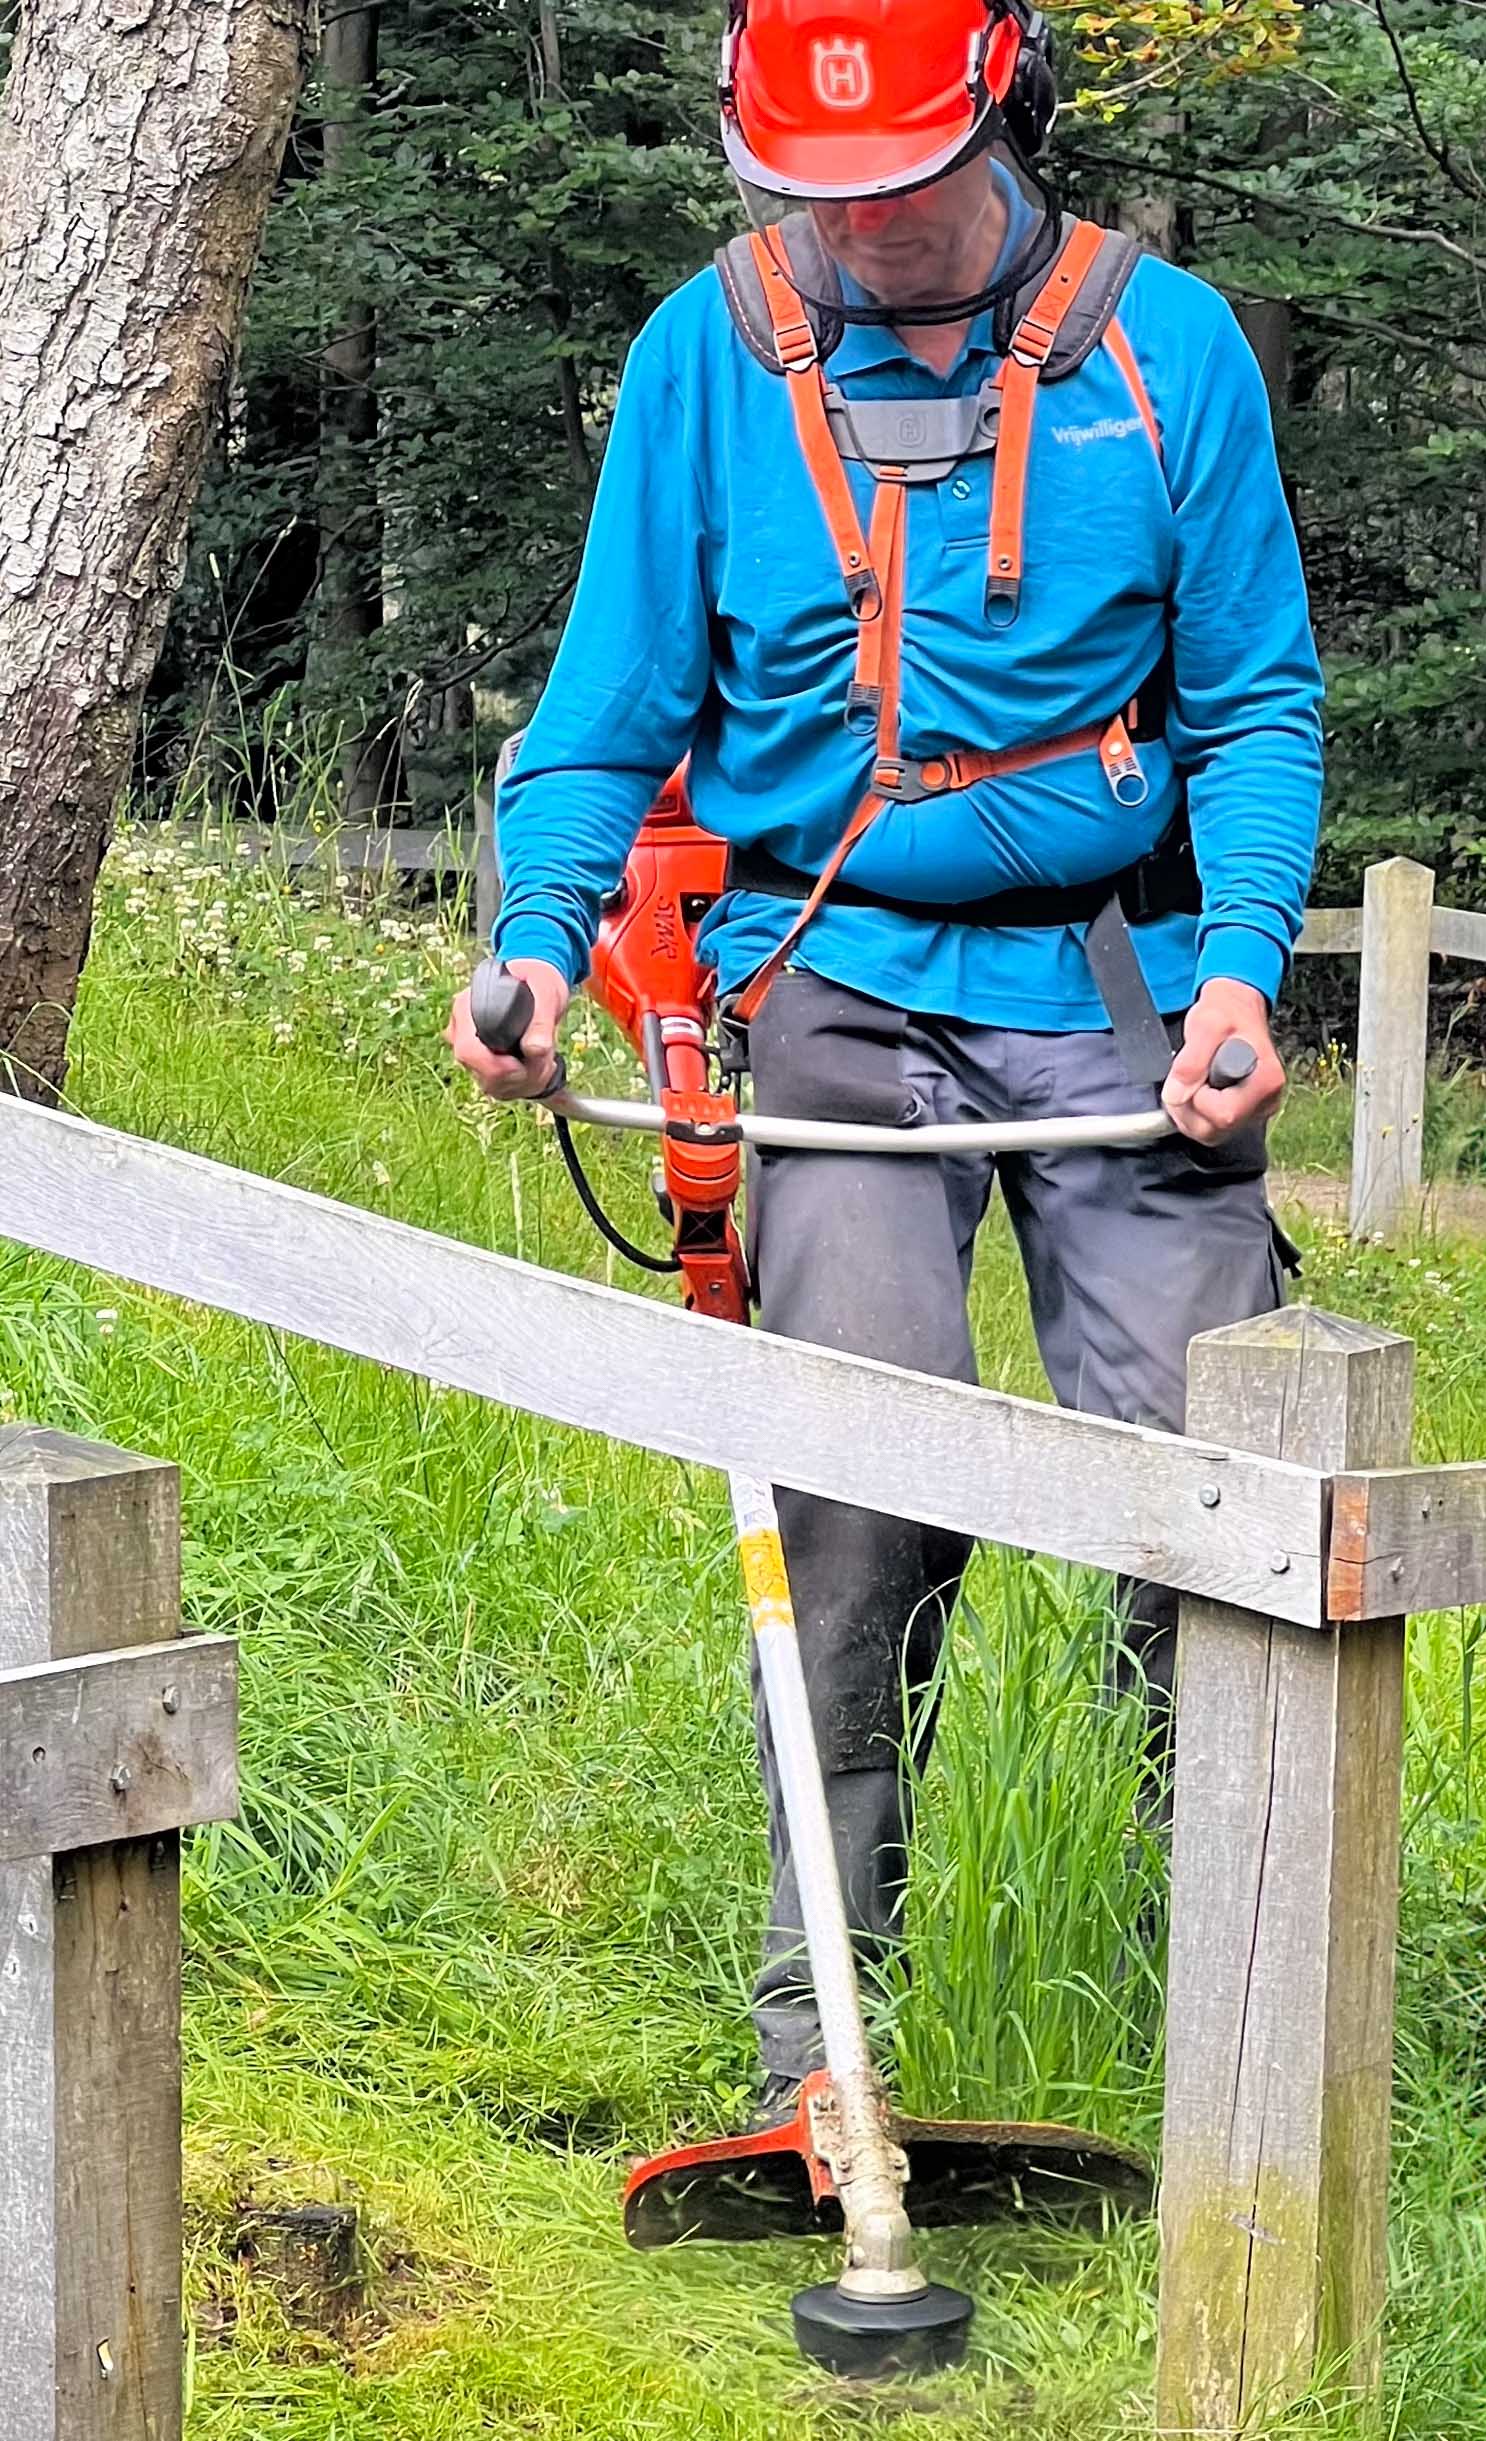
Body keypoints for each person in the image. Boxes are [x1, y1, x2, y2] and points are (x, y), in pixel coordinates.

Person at [448, 0, 1323, 2109]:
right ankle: (818, 2055)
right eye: (814, 193)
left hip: (1109, 985)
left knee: (1223, 1493)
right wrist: (540, 943)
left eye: (904, 180)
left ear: (1002, 118)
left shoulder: (1166, 347)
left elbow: (1258, 703)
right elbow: (602, 710)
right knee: (856, 1492)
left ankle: (1236, 2022)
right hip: (830, 978)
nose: (869, 230)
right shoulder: (707, 358)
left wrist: (1241, 970)